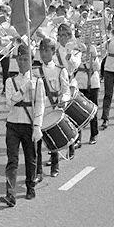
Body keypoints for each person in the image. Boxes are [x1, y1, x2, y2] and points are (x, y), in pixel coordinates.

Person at [0, 44, 44, 207]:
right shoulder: (10, 81)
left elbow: (40, 105)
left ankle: (30, 186)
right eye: (20, 59)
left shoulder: (38, 81)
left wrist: (37, 127)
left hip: (28, 124)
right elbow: (9, 103)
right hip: (13, 124)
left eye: (26, 59)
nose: (22, 63)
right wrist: (24, 89)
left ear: (31, 61)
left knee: (30, 158)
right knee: (12, 159)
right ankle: (10, 194)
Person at [35, 37, 70, 178]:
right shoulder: (35, 71)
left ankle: (55, 164)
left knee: (53, 137)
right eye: (41, 50)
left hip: (53, 107)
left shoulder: (60, 70)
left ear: (53, 51)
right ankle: (37, 171)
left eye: (46, 50)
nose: (43, 54)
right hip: (39, 109)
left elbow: (66, 90)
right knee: (36, 139)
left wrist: (64, 101)